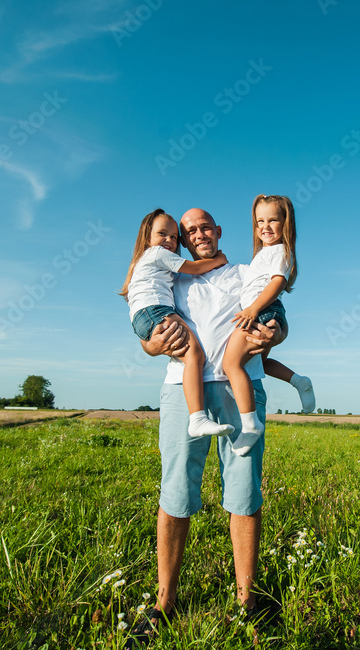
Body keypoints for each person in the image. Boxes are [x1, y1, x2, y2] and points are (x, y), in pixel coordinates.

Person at [125, 208, 285, 647]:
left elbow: (278, 317)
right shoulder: (168, 273)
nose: (195, 235)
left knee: (244, 492)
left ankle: (247, 602)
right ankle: (164, 604)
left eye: (202, 228)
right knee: (175, 491)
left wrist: (273, 334)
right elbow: (146, 331)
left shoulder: (244, 271)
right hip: (181, 391)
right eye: (186, 230)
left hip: (240, 389)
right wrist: (152, 344)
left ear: (217, 232)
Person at [119, 209, 235, 438]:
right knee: (194, 355)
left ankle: (197, 418)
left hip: (146, 315)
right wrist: (218, 260)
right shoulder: (157, 255)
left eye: (173, 237)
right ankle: (197, 419)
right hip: (156, 311)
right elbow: (193, 268)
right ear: (147, 237)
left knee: (193, 355)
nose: (169, 241)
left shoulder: (160, 269)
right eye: (162, 234)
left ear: (218, 231)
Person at [223, 195, 315, 456]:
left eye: (273, 220)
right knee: (258, 364)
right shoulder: (263, 254)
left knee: (231, 364)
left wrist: (252, 309)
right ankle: (298, 381)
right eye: (259, 221)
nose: (265, 226)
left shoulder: (280, 251)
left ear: (286, 223)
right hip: (264, 311)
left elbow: (276, 283)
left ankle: (251, 425)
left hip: (261, 312)